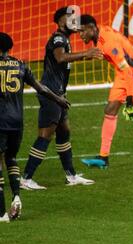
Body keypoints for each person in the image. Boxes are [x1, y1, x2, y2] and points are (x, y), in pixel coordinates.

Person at [20, 7, 102, 190]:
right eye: (68, 18)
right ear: (60, 22)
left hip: (59, 94)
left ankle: (71, 175)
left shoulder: (65, 39)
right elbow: (60, 58)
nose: (73, 21)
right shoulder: (58, 38)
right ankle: (26, 178)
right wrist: (85, 54)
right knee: (45, 135)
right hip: (51, 93)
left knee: (64, 132)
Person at [77, 14, 133, 172]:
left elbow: (128, 71)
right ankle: (103, 158)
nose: (80, 35)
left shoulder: (109, 43)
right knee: (110, 110)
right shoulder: (100, 34)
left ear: (92, 28)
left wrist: (130, 100)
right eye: (78, 32)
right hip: (123, 72)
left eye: (82, 31)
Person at [0, 32, 70, 223]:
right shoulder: (21, 65)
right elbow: (42, 88)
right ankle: (16, 197)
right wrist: (59, 100)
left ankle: (1, 213)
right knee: (11, 158)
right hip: (16, 122)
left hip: (0, 121)